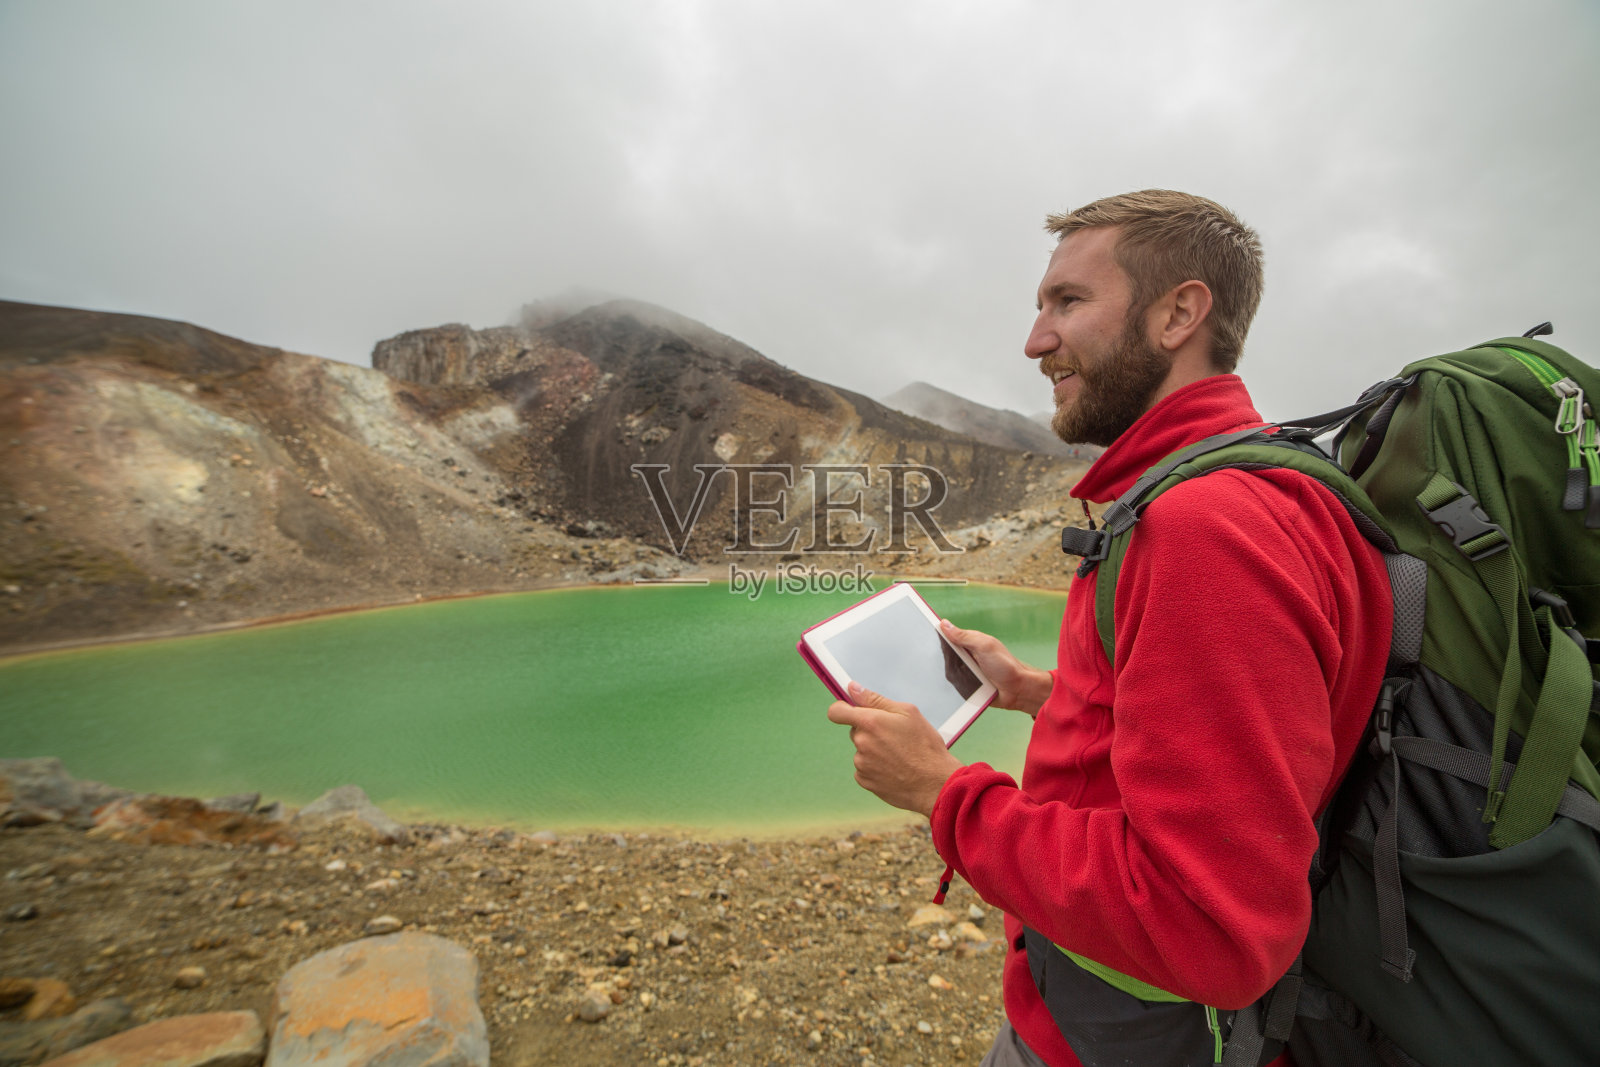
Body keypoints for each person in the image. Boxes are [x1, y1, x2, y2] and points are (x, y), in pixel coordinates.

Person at [827, 190, 1394, 1067]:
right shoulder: (1242, 482)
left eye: (1068, 302)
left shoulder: (1207, 528)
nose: (1035, 339)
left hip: (1126, 1040)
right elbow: (1239, 731)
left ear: (1178, 314)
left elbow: (1213, 927)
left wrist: (945, 793)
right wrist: (1034, 692)